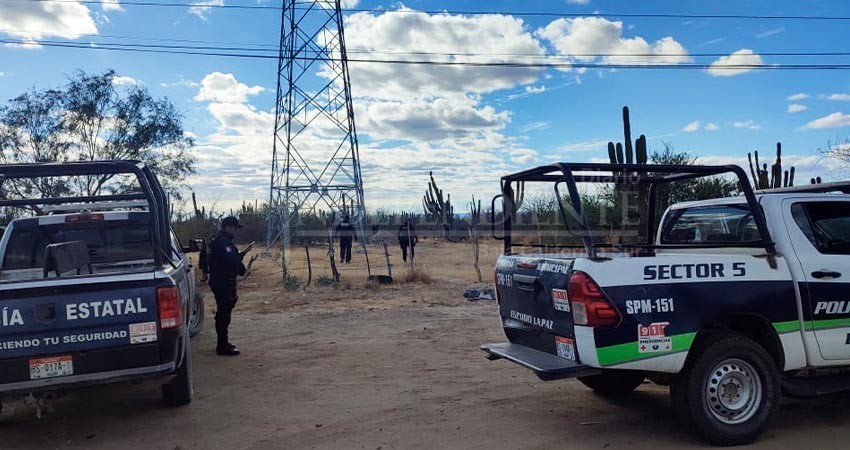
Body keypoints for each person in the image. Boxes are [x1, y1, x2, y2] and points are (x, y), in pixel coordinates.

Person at [201, 216, 254, 356]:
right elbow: (232, 261)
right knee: (224, 314)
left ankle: (223, 343)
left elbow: (204, 257)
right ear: (227, 227)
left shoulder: (214, 241)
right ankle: (222, 346)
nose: (234, 231)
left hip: (218, 281)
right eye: (233, 228)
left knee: (223, 312)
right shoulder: (224, 243)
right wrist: (244, 259)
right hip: (224, 282)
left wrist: (204, 272)